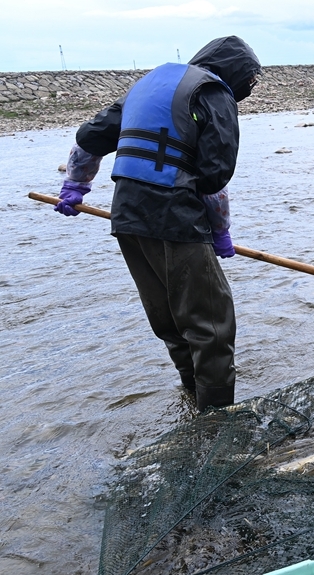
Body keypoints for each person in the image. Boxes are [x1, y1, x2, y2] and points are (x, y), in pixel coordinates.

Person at [53, 36, 262, 411]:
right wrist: (220, 230)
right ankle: (217, 418)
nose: (251, 86)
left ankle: (192, 395)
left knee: (167, 315)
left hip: (127, 215)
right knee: (211, 321)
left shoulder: (150, 84)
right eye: (250, 79)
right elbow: (213, 176)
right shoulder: (215, 93)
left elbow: (90, 137)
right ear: (235, 72)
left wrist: (76, 184)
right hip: (176, 216)